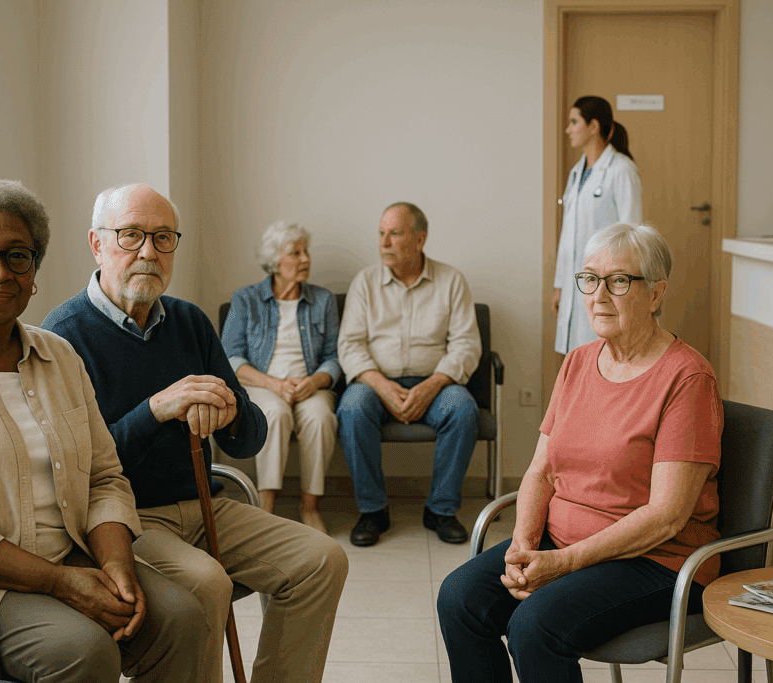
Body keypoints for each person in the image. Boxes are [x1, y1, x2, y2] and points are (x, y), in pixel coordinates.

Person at [0, 178, 209, 683]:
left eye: (19, 257)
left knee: (182, 618)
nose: (0, 273)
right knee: (83, 649)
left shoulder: (60, 357)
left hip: (70, 556)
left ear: (34, 274)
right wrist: (61, 583)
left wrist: (117, 566)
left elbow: (104, 477)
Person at [42, 184, 348, 683]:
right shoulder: (63, 336)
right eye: (131, 235)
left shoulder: (188, 320)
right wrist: (155, 410)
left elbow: (247, 441)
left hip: (207, 504)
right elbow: (71, 471)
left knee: (322, 560)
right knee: (207, 584)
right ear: (97, 244)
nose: (148, 251)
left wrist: (232, 413)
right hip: (124, 522)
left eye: (163, 238)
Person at [438, 223, 723, 683]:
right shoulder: (577, 362)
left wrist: (563, 564)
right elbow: (542, 470)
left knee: (534, 626)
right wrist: (523, 546)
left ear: (655, 294)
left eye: (618, 281)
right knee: (459, 598)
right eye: (589, 279)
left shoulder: (686, 379)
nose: (598, 295)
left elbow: (667, 516)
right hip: (561, 545)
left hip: (655, 561)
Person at [337, 202, 481, 547]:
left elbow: (466, 345)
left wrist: (432, 385)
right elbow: (350, 345)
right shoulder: (365, 283)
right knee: (351, 409)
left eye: (395, 233)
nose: (384, 242)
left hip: (435, 382)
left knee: (463, 409)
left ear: (420, 239)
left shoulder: (451, 281)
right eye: (382, 233)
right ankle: (373, 510)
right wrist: (381, 384)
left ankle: (441, 509)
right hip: (375, 383)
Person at [221, 220, 341, 534]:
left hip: (310, 385)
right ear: (276, 260)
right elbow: (230, 357)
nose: (305, 259)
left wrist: (314, 382)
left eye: (306, 252)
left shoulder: (324, 300)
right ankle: (266, 508)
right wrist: (273, 384)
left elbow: (334, 357)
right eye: (295, 252)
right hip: (262, 384)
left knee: (320, 418)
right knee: (272, 413)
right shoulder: (245, 300)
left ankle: (310, 506)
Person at [553, 95, 642, 355]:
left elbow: (632, 232)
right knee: (577, 354)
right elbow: (567, 235)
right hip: (575, 281)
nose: (568, 129)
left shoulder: (622, 170)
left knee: (601, 351)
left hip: (606, 281)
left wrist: (622, 285)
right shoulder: (576, 173)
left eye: (574, 122)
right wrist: (560, 284)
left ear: (593, 126)